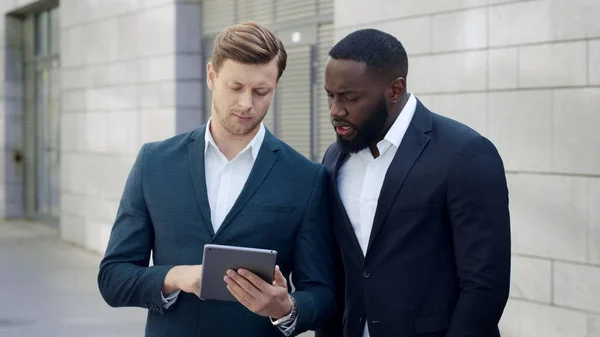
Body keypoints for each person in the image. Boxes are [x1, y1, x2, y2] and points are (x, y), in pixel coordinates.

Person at [98, 21, 337, 337]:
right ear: (211, 76)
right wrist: (176, 277)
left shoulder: (305, 178)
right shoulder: (154, 162)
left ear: (275, 87)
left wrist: (286, 307)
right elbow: (114, 278)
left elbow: (322, 293)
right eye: (235, 87)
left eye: (261, 91)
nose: (246, 104)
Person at [318, 28, 511, 337]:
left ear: (395, 90)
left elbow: (484, 284)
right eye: (330, 95)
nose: (335, 110)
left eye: (350, 98)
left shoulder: (466, 153)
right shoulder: (334, 157)